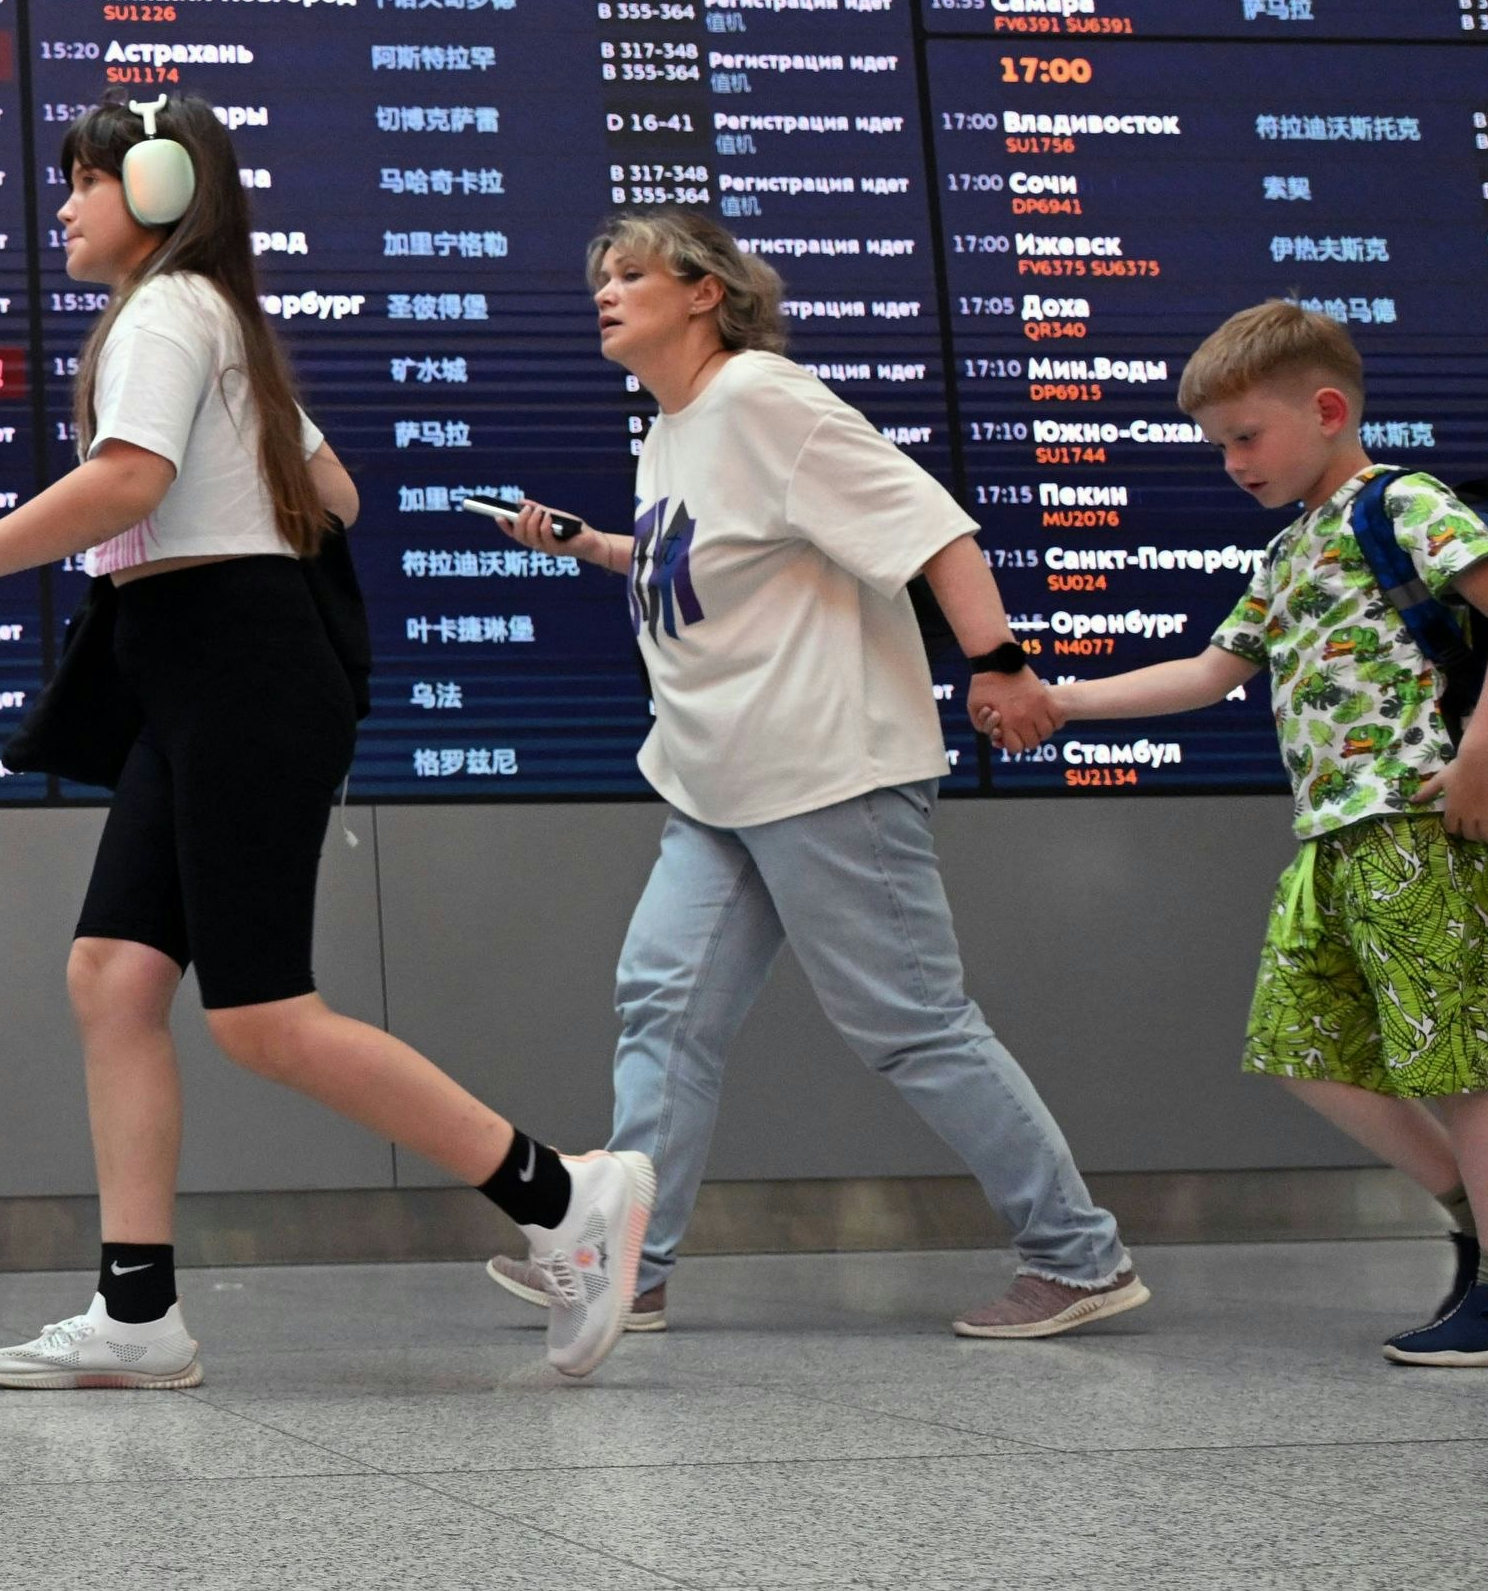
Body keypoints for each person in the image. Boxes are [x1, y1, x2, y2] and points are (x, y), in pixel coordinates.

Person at [0, 95, 657, 1384]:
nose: (63, 205)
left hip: (232, 666)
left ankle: (564, 1196)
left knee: (261, 1015)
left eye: (80, 180)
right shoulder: (217, 324)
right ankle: (136, 1316)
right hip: (202, 663)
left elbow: (129, 479)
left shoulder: (168, 313)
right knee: (113, 977)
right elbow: (338, 494)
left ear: (150, 186)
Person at [479, 209, 1147, 1340]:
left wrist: (999, 664)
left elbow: (934, 532)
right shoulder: (672, 426)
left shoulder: (764, 400)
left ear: (704, 293)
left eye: (631, 272)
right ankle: (628, 1266)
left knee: (911, 1024)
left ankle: (1079, 1257)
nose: (605, 290)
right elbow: (700, 563)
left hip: (825, 768)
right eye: (600, 275)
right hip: (716, 781)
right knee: (663, 1010)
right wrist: (587, 546)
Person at [1022, 302, 1488, 1365]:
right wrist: (1064, 701)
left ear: (1326, 410)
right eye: (1218, 445)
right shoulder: (1290, 552)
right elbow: (1207, 672)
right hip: (1332, 839)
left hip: (1415, 827)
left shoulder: (1401, 505)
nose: (1232, 462)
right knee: (1297, 1048)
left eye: (1246, 437)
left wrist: (1480, 759)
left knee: (1452, 1063)